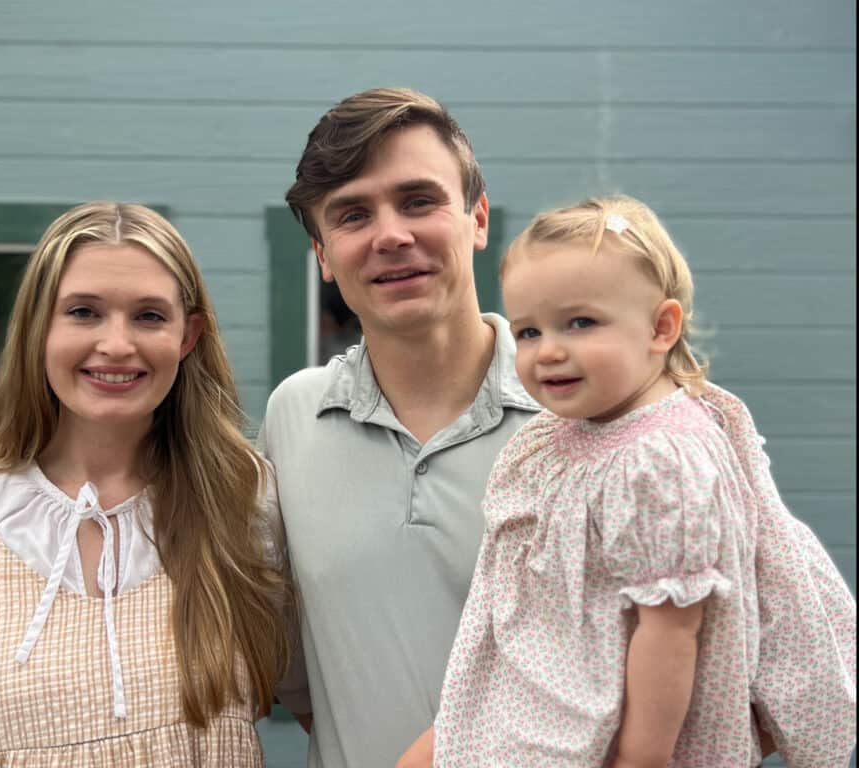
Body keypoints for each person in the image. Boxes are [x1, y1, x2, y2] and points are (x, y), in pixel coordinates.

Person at [0, 202, 290, 768]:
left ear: (187, 336)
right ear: (39, 327)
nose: (117, 344)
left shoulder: (243, 498)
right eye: (83, 311)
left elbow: (325, 694)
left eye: (149, 316)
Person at [430, 195, 857, 766]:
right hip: (547, 703)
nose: (548, 351)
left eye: (581, 323)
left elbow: (671, 633)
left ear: (661, 327)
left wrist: (639, 760)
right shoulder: (563, 433)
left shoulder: (660, 460)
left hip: (621, 736)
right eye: (528, 331)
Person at [257, 87, 541, 768]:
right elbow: (295, 672)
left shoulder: (581, 415)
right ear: (324, 255)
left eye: (418, 201)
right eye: (353, 215)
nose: (390, 235)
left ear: (477, 217)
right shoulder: (294, 416)